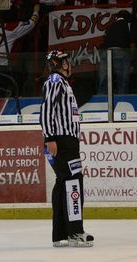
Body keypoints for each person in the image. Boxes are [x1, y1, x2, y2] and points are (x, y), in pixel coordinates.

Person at [40, 50, 94, 247]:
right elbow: (46, 110)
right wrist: (50, 137)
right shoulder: (55, 80)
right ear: (61, 64)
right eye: (66, 61)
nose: (69, 65)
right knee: (73, 181)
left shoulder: (62, 83)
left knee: (63, 182)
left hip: (64, 141)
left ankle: (61, 234)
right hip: (61, 141)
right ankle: (75, 232)